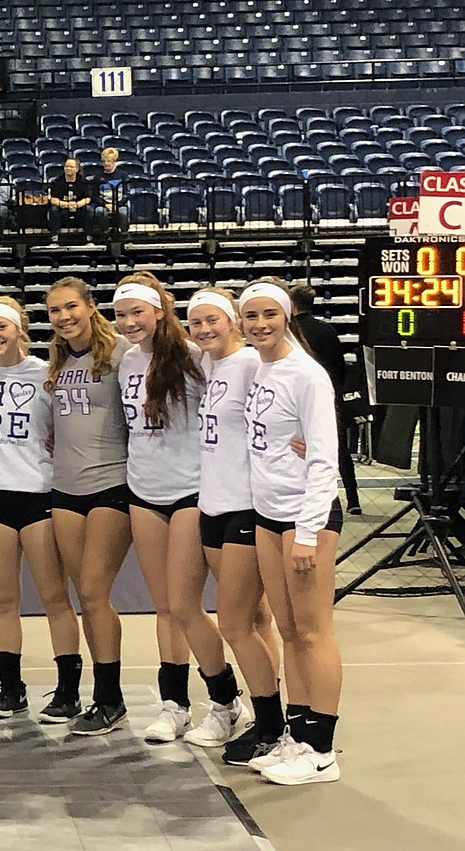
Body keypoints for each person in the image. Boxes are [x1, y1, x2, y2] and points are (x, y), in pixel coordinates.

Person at [113, 272, 239, 746]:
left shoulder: (192, 357)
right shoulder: (126, 361)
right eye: (121, 314)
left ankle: (225, 701)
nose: (128, 322)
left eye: (137, 312)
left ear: (159, 311)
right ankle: (174, 704)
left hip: (190, 490)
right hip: (144, 489)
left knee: (187, 606)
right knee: (164, 606)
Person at [239, 278, 344, 785]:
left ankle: (322, 750)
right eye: (251, 316)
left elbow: (325, 456)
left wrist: (307, 531)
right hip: (268, 513)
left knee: (313, 630)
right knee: (288, 631)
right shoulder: (260, 368)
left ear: (287, 317)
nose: (259, 324)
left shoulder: (307, 374)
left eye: (269, 315)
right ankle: (298, 736)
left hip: (308, 517)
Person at [0, 297, 82, 721]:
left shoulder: (46, 373)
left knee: (55, 597)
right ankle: (12, 688)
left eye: (3, 327)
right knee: (2, 599)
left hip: (38, 492)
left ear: (21, 327)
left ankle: (68, 691)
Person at [186, 287, 283, 763]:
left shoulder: (250, 363)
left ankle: (271, 724)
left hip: (245, 506)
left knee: (236, 621)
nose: (205, 330)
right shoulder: (208, 366)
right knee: (251, 618)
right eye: (196, 323)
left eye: (213, 321)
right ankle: (265, 714)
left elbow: (290, 390)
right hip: (213, 504)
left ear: (233, 323)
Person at [44, 277, 133, 736]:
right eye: (55, 311)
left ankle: (110, 698)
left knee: (96, 593)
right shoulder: (58, 358)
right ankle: (98, 695)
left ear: (91, 304)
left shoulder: (121, 353)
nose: (64, 317)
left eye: (71, 307)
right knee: (86, 597)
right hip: (65, 488)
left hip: (110, 485)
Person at [288, 283, 360, 514]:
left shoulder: (290, 332)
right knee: (339, 449)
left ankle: (305, 495)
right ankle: (353, 499)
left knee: (299, 448)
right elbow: (340, 366)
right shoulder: (327, 330)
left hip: (297, 397)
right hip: (330, 395)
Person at [48, 157, 92, 244]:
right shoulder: (57, 181)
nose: (68, 168)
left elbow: (88, 198)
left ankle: (88, 237)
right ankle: (54, 237)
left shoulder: (83, 181)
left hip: (78, 210)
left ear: (77, 169)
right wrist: (66, 205)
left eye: (71, 167)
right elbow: (53, 199)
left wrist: (77, 204)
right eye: (66, 166)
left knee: (88, 209)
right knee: (53, 209)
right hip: (63, 210)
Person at [92, 147, 130, 237]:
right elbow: (95, 195)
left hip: (119, 204)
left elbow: (127, 193)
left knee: (123, 212)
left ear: (114, 162)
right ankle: (105, 232)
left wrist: (118, 204)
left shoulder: (123, 175)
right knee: (99, 211)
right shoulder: (98, 178)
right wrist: (105, 204)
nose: (106, 164)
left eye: (108, 161)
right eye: (104, 161)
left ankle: (124, 234)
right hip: (104, 205)